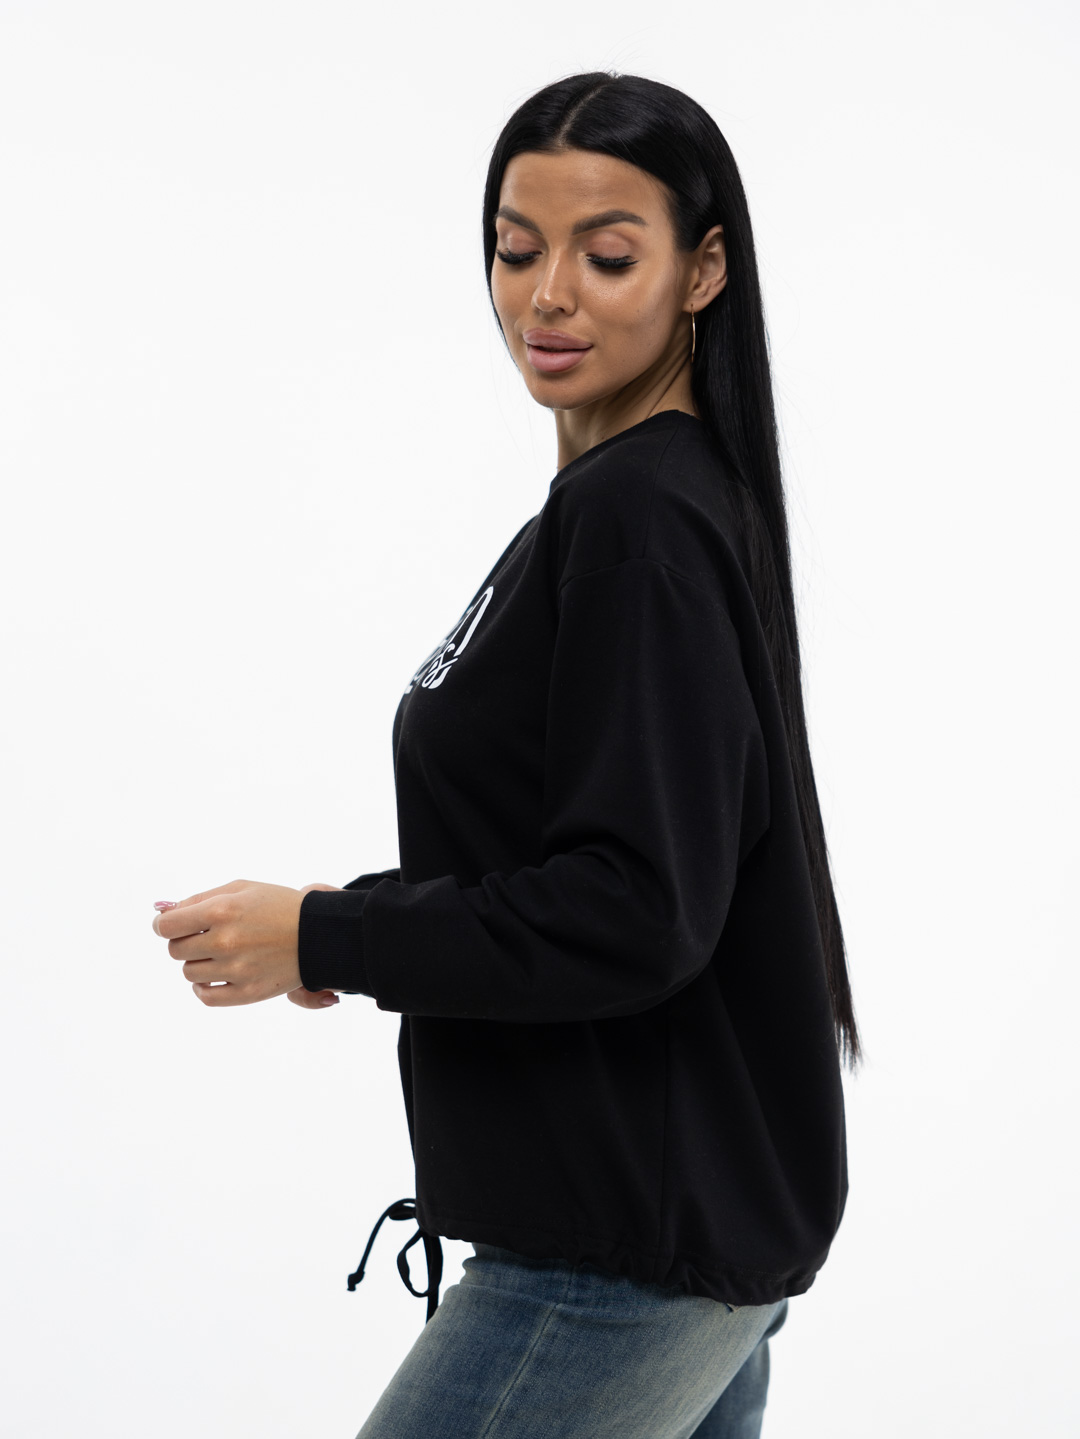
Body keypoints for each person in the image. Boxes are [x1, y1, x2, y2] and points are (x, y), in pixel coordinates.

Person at [152, 70, 862, 1439]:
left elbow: (635, 909)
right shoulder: (643, 503)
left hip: (617, 1266)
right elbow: (612, 862)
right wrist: (356, 923)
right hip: (668, 1239)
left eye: (608, 256)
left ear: (704, 269)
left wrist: (329, 936)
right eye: (517, 249)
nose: (548, 296)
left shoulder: (641, 519)